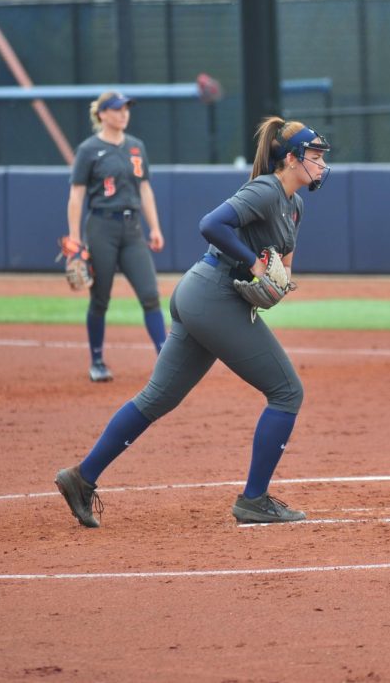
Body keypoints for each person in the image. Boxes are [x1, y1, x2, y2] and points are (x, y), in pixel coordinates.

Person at [55, 117, 332, 527]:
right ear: (291, 159)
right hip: (212, 294)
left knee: (157, 398)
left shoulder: (294, 205)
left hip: (205, 297)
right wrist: (256, 265)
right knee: (287, 391)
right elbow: (211, 224)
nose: (322, 165)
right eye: (314, 157)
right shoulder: (267, 189)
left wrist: (278, 281)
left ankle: (81, 478)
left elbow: (283, 265)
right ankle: (254, 500)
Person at [66, 91, 167, 382]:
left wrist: (155, 227)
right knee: (100, 298)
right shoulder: (88, 150)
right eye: (117, 109)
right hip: (101, 227)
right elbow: (76, 195)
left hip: (133, 228)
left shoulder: (136, 147)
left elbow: (145, 188)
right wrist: (74, 240)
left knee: (150, 295)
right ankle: (97, 361)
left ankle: (165, 359)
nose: (124, 113)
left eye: (126, 108)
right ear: (102, 115)